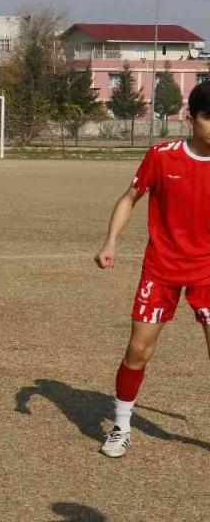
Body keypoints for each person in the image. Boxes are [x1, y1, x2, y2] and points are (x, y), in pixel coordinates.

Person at [94, 81, 210, 458]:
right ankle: (121, 426)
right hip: (160, 270)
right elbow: (130, 198)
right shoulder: (162, 157)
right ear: (190, 118)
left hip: (208, 273)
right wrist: (111, 242)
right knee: (138, 352)